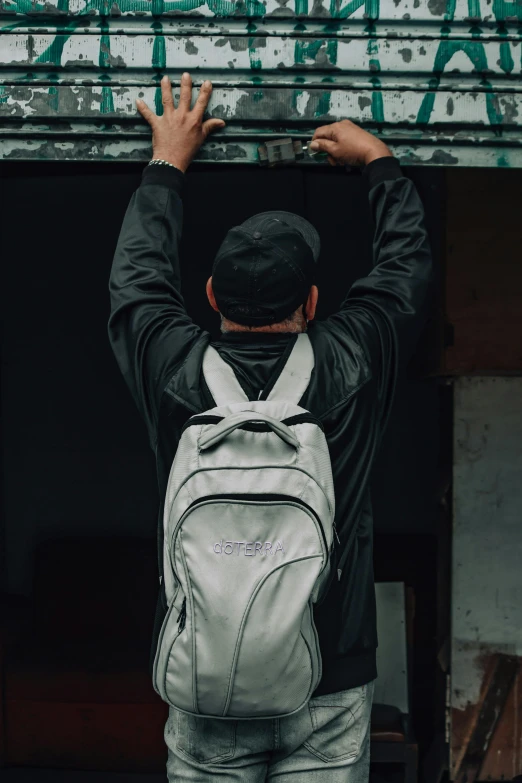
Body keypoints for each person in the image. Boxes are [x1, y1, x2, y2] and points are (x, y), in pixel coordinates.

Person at [108, 72, 433, 782]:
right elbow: (405, 269)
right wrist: (378, 161)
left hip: (206, 679)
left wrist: (167, 162)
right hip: (329, 674)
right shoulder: (353, 361)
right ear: (314, 301)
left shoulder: (171, 365)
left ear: (212, 295)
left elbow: (134, 282)